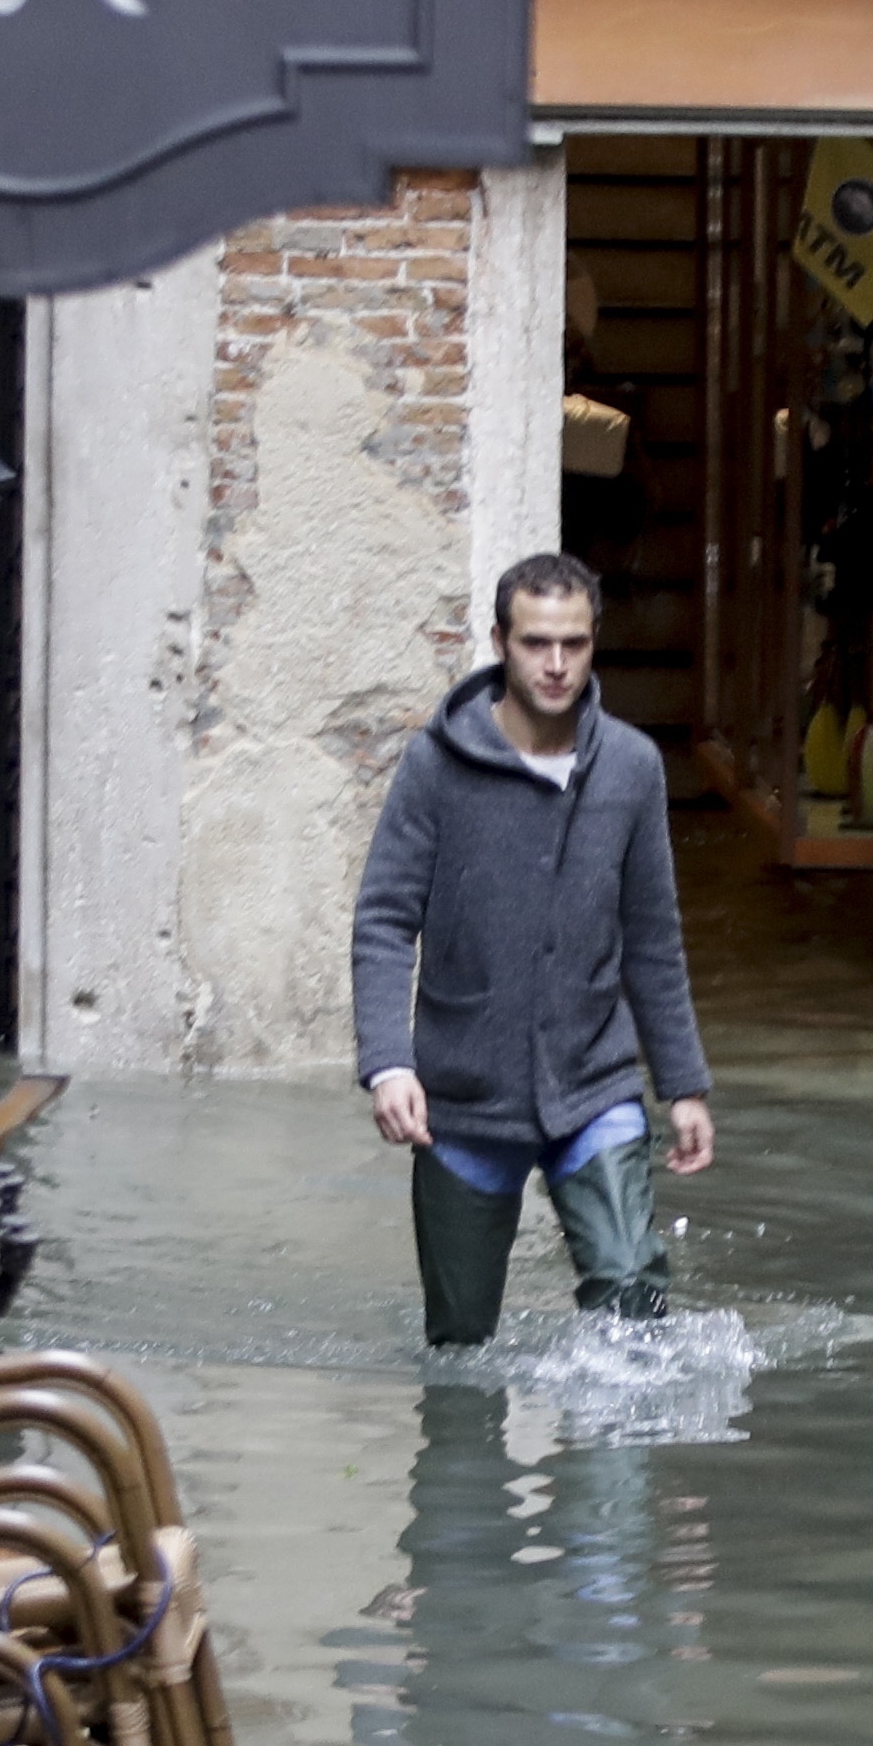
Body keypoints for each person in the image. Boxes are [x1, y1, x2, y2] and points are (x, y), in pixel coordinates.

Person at [353, 556, 716, 1347]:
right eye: (536, 643)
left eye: (574, 644)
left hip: (594, 1082)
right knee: (459, 1342)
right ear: (499, 642)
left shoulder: (631, 766)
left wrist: (682, 1083)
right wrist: (389, 1063)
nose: (555, 664)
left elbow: (652, 938)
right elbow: (383, 919)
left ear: (593, 647)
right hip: (461, 1095)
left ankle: (617, 1467)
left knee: (632, 1300)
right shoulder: (434, 764)